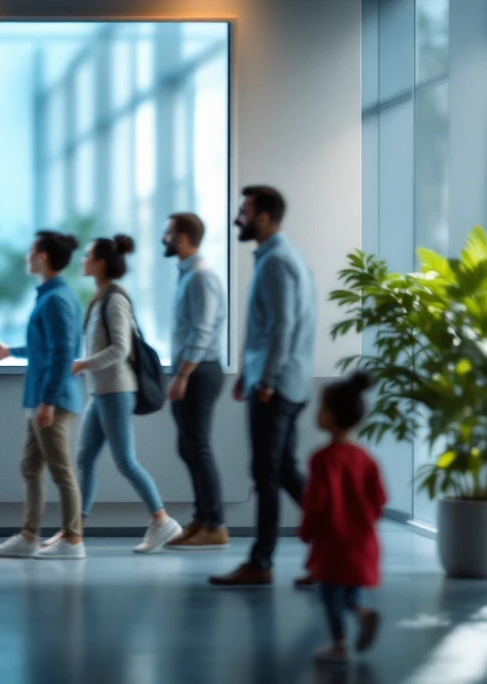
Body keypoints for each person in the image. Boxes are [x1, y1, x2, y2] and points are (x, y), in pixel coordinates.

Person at [211, 186, 317, 587]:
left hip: (278, 385)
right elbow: (270, 326)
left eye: (245, 212)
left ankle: (261, 562)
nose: (238, 218)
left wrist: (267, 379)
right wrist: (248, 373)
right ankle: (334, 546)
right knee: (283, 471)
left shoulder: (276, 262)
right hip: (283, 381)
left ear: (265, 217)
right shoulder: (286, 258)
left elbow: (283, 328)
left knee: (267, 474)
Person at [66, 235, 182, 554]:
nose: (82, 260)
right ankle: (73, 531)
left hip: (116, 390)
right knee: (85, 459)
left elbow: (121, 348)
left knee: (125, 461)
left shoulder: (115, 300)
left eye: (87, 255)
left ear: (101, 262)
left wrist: (83, 364)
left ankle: (162, 521)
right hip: (102, 391)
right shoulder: (100, 298)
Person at [0, 231, 85, 560]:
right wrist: (10, 352)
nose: (27, 257)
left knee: (61, 471)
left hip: (52, 400)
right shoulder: (50, 297)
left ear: (42, 257)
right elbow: (44, 347)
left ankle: (73, 540)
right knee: (30, 467)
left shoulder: (56, 300)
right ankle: (29, 537)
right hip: (43, 398)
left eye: (31, 252)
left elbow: (63, 354)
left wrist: (48, 401)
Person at [299, 372, 386, 664]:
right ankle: (362, 611)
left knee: (329, 593)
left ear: (331, 417)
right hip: (362, 539)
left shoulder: (322, 459)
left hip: (333, 541)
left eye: (321, 408)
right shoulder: (366, 458)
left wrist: (307, 531)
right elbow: (379, 499)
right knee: (351, 587)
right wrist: (364, 521)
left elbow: (316, 501)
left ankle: (339, 643)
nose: (317, 413)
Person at [161, 213, 229, 550]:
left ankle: (214, 524)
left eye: (169, 233)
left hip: (199, 372)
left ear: (183, 238)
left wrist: (182, 376)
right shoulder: (188, 276)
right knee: (188, 446)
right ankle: (203, 519)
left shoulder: (200, 277)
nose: (164, 238)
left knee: (198, 447)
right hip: (191, 371)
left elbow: (201, 332)